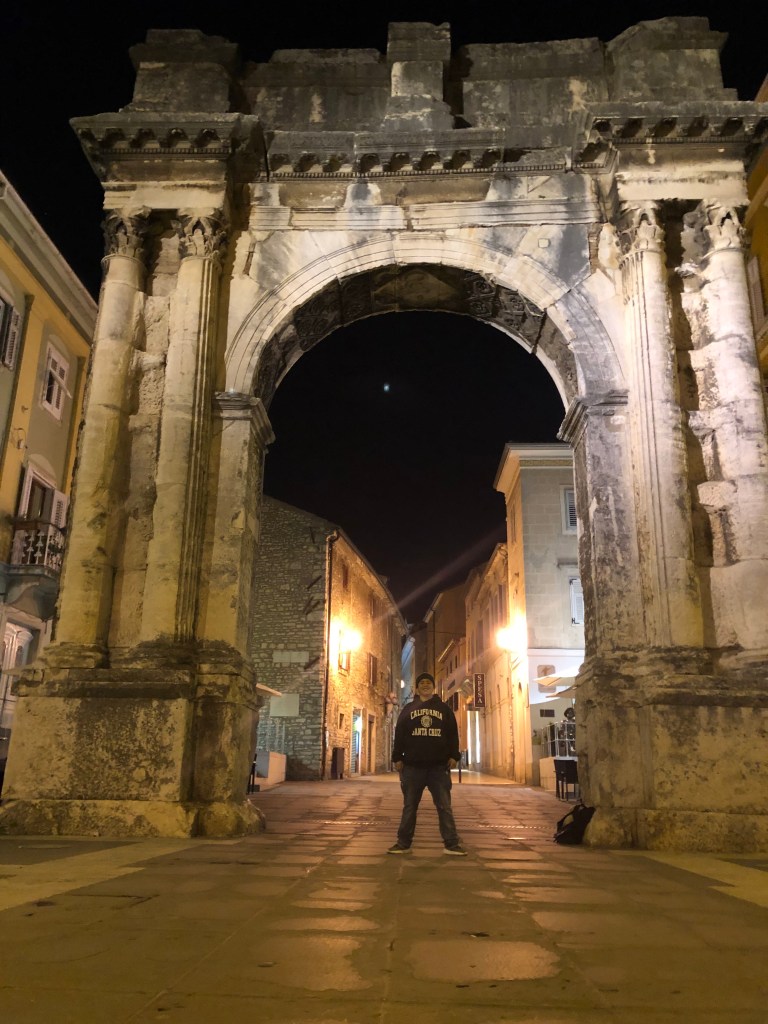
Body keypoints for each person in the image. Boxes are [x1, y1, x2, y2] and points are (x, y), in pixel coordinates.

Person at [388, 672, 467, 855]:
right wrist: (397, 757)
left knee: (444, 807)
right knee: (409, 806)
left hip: (438, 767)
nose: (425, 685)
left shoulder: (444, 709)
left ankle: (451, 844)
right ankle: (403, 843)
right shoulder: (408, 709)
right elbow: (400, 734)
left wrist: (454, 756)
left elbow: (452, 734)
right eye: (422, 682)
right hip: (413, 766)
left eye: (428, 682)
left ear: (433, 686)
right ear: (417, 688)